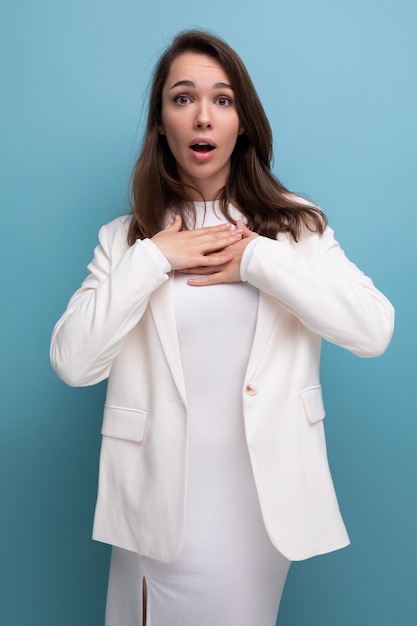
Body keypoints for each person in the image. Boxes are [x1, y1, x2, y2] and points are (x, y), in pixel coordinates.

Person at [50, 29, 394, 626]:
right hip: (154, 504)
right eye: (182, 99)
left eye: (223, 100)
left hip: (256, 508)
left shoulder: (297, 230)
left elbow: (372, 330)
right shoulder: (125, 239)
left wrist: (259, 261)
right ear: (161, 122)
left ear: (243, 122)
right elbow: (73, 364)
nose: (203, 117)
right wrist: (156, 258)